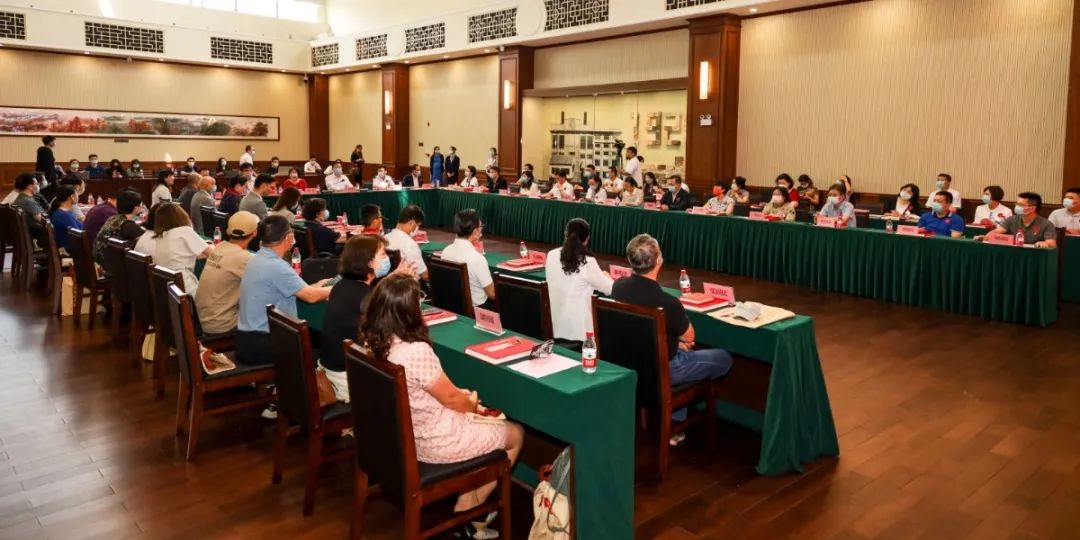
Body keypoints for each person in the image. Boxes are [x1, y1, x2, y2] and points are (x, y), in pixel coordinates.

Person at [358, 274, 524, 527]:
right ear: (409, 313)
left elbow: (436, 392)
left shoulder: (374, 343)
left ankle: (469, 503)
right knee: (516, 433)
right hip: (434, 444)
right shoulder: (415, 351)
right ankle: (472, 510)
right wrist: (472, 403)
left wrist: (461, 398)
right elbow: (453, 400)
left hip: (401, 439)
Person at [611, 234, 732, 441]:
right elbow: (689, 336)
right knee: (724, 358)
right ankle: (674, 423)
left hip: (629, 363)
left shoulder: (618, 287)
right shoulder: (668, 302)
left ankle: (675, 421)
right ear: (659, 260)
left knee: (679, 349)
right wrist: (678, 342)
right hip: (662, 370)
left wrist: (674, 343)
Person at [236, 215, 332, 366]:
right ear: (288, 237)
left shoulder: (258, 258)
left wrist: (318, 285)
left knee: (316, 337)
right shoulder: (277, 266)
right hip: (263, 344)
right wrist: (338, 286)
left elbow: (299, 290)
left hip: (246, 339)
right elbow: (310, 297)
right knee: (326, 351)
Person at [320, 235, 398, 401]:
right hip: (346, 379)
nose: (387, 258)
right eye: (383, 254)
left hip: (329, 368)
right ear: (370, 263)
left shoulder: (341, 286)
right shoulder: (364, 297)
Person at [546, 219, 613, 344]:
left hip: (553, 328)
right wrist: (607, 277)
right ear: (587, 239)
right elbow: (610, 289)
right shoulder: (587, 262)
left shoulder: (551, 255)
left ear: (565, 234)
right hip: (580, 334)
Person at [195, 211, 258, 337]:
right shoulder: (243, 258)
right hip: (221, 325)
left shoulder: (218, 248)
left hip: (203, 320)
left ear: (229, 231)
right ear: (254, 233)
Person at [440, 209, 495, 310]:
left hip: (452, 304)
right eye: (481, 226)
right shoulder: (477, 259)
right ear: (475, 231)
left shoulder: (445, 251)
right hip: (477, 309)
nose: (481, 230)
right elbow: (492, 294)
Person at [152, 204, 212, 294]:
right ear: (181, 216)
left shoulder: (160, 237)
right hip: (186, 288)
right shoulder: (184, 231)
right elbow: (212, 254)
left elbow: (179, 255)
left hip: (168, 289)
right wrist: (212, 246)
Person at [979, 192, 1057, 248]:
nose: (1017, 206)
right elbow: (997, 231)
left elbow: (1052, 243)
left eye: (1020, 205)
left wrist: (1044, 243)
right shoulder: (1011, 219)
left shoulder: (1046, 224)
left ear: (1032, 208)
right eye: (1017, 204)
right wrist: (986, 237)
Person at [93, 190, 145, 265]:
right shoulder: (128, 226)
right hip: (110, 266)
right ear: (135, 208)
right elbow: (147, 239)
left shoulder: (112, 218)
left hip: (100, 262)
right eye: (140, 204)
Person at [385, 204, 430, 280]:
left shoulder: (385, 238)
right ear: (412, 223)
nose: (418, 229)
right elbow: (424, 275)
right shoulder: (410, 244)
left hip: (390, 282)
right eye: (418, 226)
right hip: (409, 284)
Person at [10, 173, 45, 241]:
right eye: (36, 183)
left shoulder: (21, 198)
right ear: (30, 187)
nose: (38, 185)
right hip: (37, 236)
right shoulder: (28, 202)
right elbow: (43, 221)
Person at [49, 185, 82, 253]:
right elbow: (78, 236)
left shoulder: (62, 212)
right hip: (74, 250)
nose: (78, 196)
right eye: (77, 194)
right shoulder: (64, 215)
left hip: (72, 247)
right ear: (72, 196)